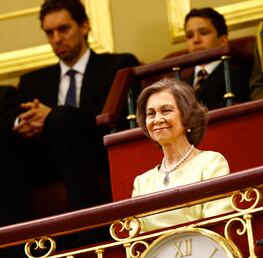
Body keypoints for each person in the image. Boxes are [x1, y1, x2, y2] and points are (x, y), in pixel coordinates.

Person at [0, 0, 139, 220]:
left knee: (61, 118)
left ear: (84, 26)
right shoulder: (32, 82)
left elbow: (118, 116)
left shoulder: (117, 65)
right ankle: (13, 246)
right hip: (43, 161)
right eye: (50, 33)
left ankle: (86, 231)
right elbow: (20, 117)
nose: (56, 39)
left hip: (92, 154)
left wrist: (53, 117)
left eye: (63, 29)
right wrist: (24, 123)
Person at [132, 78, 232, 232]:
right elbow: (135, 241)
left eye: (166, 110)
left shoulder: (210, 163)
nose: (157, 119)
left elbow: (217, 225)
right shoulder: (142, 182)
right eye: (151, 114)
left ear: (187, 118)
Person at [183, 8, 250, 110]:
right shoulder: (182, 83)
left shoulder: (238, 74)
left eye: (204, 32)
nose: (196, 40)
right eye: (189, 36)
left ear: (223, 40)